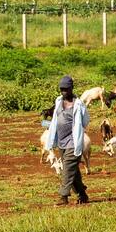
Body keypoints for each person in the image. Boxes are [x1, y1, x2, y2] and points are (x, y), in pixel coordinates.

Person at [43, 75, 90, 205]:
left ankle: (63, 196)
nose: (64, 92)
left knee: (67, 169)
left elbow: (86, 120)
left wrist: (76, 129)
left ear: (71, 88)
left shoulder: (79, 104)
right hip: (61, 142)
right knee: (73, 171)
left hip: (73, 142)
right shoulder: (58, 101)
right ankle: (82, 194)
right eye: (61, 89)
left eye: (66, 89)